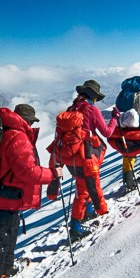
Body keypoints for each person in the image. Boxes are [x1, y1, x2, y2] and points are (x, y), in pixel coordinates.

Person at [0, 104, 56, 278]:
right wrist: (52, 174)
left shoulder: (5, 132)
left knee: (9, 230)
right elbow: (27, 171)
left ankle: (7, 268)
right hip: (7, 194)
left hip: (1, 192)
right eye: (30, 121)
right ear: (26, 121)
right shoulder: (18, 137)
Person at [51, 80, 119, 241]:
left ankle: (88, 211)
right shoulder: (91, 109)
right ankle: (75, 226)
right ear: (93, 96)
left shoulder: (71, 109)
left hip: (69, 157)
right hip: (85, 157)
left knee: (83, 185)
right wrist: (115, 118)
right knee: (83, 191)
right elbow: (107, 132)